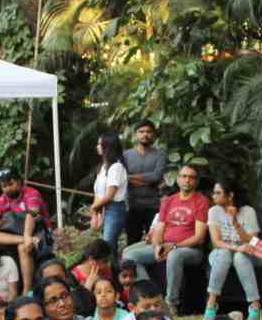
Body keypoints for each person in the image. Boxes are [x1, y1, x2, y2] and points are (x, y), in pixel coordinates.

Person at [121, 163, 208, 309]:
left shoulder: (201, 201)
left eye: (191, 177)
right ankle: (152, 297)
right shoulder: (169, 201)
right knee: (129, 255)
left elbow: (199, 237)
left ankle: (171, 303)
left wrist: (173, 246)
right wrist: (157, 246)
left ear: (196, 181)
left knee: (174, 255)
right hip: (165, 244)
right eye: (184, 176)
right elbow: (159, 229)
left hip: (190, 249)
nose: (187, 180)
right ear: (178, 179)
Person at [204, 177, 262, 320]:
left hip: (249, 253)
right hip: (222, 252)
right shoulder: (214, 211)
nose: (213, 196)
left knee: (240, 257)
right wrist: (238, 247)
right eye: (214, 193)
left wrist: (235, 222)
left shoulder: (248, 211)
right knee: (225, 254)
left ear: (230, 195)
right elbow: (216, 242)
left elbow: (252, 241)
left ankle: (255, 307)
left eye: (218, 193)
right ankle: (211, 304)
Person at [122, 119, 167, 247]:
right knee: (132, 242)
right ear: (135, 135)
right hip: (131, 206)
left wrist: (131, 177)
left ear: (153, 135)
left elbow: (156, 176)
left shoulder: (160, 155)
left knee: (154, 242)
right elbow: (122, 177)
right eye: (141, 131)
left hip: (153, 206)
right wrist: (148, 181)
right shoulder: (126, 155)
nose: (145, 134)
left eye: (148, 131)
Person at [89, 132, 129, 259]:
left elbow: (110, 195)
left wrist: (94, 208)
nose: (97, 147)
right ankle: (112, 269)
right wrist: (95, 214)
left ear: (108, 147)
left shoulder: (116, 167)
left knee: (108, 245)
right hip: (103, 208)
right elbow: (98, 193)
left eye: (100, 144)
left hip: (115, 209)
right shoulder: (103, 167)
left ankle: (113, 270)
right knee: (107, 246)